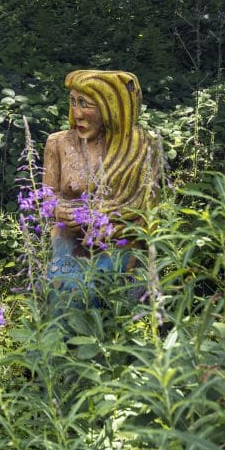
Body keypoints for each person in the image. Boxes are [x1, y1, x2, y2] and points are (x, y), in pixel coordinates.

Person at [42, 69, 161, 298]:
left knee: (107, 287)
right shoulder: (57, 143)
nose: (77, 113)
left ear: (110, 108)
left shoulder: (140, 147)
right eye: (73, 102)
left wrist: (107, 220)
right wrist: (58, 208)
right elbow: (47, 197)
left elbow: (147, 210)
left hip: (121, 242)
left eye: (86, 104)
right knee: (65, 287)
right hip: (69, 240)